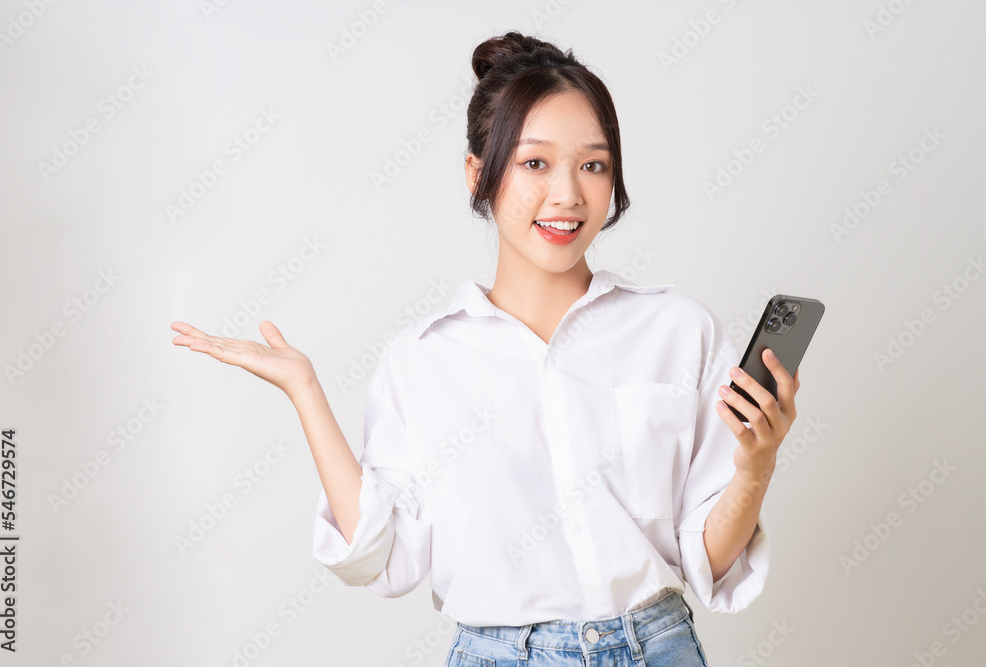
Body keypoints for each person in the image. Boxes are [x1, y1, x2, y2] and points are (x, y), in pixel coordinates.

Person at [170, 30, 801, 667]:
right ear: (479, 173)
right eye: (535, 163)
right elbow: (379, 556)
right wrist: (305, 391)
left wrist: (756, 467)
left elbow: (709, 560)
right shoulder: (423, 361)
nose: (568, 195)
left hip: (656, 648)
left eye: (593, 164)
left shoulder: (679, 331)